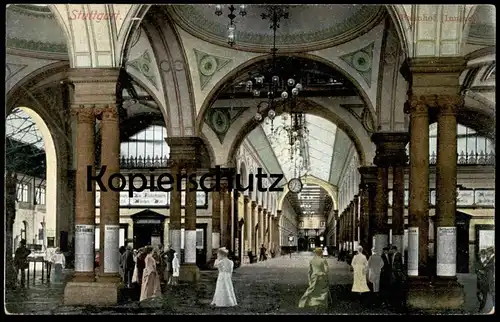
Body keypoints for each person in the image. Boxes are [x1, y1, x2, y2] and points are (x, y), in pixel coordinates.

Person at [389, 245, 406, 310]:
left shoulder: (398, 254)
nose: (391, 250)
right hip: (394, 273)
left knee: (397, 287)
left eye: (392, 249)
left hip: (396, 273)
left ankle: (398, 303)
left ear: (394, 249)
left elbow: (398, 264)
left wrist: (397, 271)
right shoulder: (393, 255)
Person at [480, 247, 495, 314]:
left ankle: (493, 308)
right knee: (492, 292)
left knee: (493, 293)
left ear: (490, 252)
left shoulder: (493, 258)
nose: (486, 254)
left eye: (487, 253)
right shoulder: (490, 258)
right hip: (490, 278)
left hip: (492, 279)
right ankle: (493, 308)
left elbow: (489, 266)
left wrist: (484, 268)